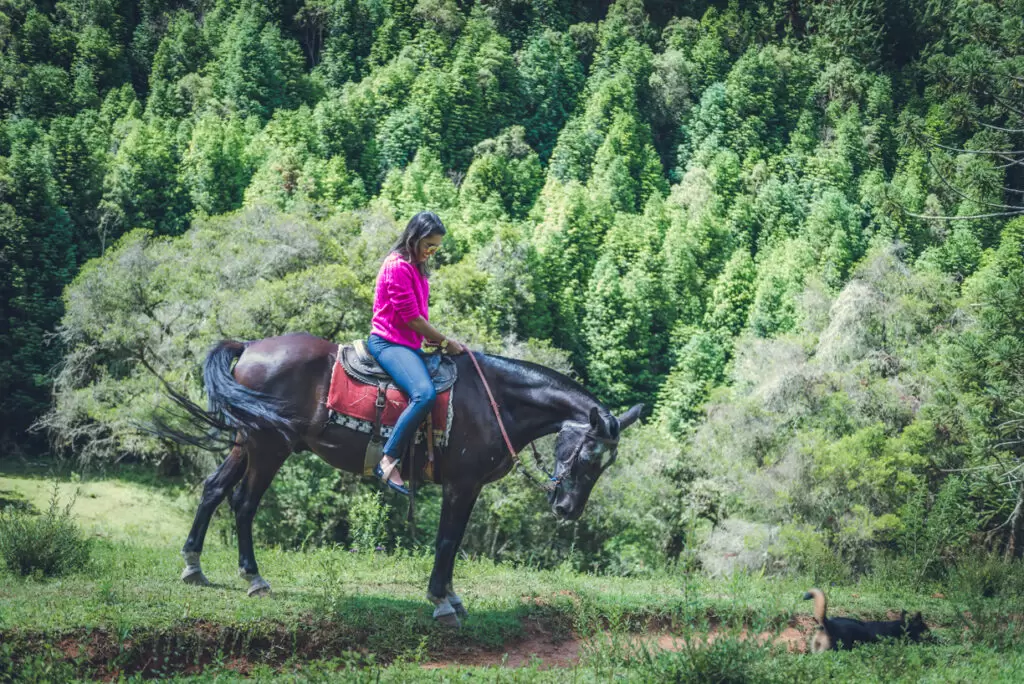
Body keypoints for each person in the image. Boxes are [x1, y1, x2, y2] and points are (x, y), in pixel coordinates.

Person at [368, 211, 465, 496]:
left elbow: (417, 318)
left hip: (408, 344)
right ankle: (387, 460)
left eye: (436, 247)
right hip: (388, 343)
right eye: (428, 245)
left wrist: (432, 340)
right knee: (424, 394)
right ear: (414, 237)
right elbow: (412, 318)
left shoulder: (416, 266)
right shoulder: (397, 266)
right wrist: (445, 341)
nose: (431, 251)